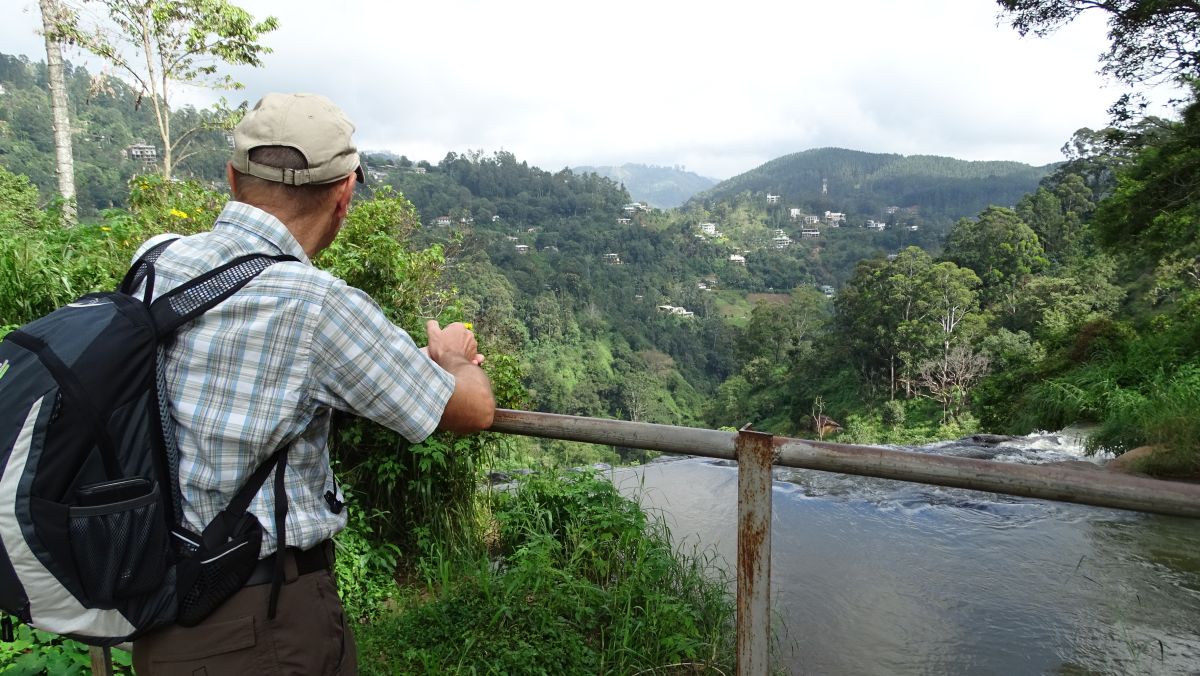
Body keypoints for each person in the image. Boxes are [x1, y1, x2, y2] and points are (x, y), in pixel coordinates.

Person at [130, 92, 495, 675]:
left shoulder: (155, 261)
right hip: (265, 623)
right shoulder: (317, 305)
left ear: (231, 176)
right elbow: (470, 409)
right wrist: (454, 359)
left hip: (156, 612)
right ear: (345, 194)